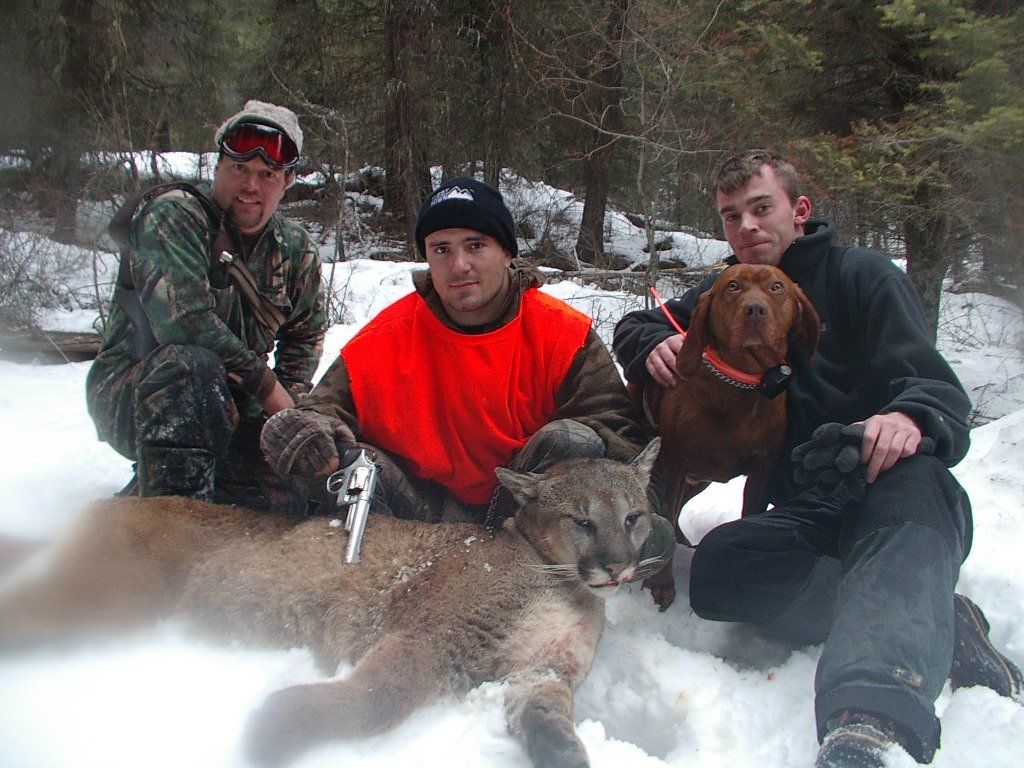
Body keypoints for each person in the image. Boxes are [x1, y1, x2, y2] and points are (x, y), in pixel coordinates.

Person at [612, 150, 1022, 767]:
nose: (746, 228)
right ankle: (929, 612)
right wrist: (654, 344)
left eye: (761, 209)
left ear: (799, 211)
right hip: (808, 507)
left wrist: (906, 417)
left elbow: (938, 389)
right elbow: (641, 322)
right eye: (730, 217)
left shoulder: (864, 276)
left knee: (901, 517)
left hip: (894, 484)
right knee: (722, 573)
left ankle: (870, 727)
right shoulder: (731, 286)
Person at [260, 176, 673, 571]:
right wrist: (303, 431)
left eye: (476, 245)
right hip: (420, 513)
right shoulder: (384, 338)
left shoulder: (564, 335)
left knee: (575, 441)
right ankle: (372, 574)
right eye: (441, 249)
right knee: (347, 463)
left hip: (531, 517)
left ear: (507, 252)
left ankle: (555, 567)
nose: (459, 265)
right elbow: (324, 411)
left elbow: (617, 435)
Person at [86, 100, 327, 508]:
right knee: (191, 369)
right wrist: (271, 391)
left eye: (267, 175)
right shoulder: (174, 215)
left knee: (308, 472)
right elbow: (185, 325)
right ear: (217, 168)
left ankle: (216, 480)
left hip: (235, 404)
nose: (251, 186)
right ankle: (173, 523)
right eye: (239, 170)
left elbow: (304, 338)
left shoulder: (295, 248)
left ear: (286, 182)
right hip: (138, 394)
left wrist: (289, 415)